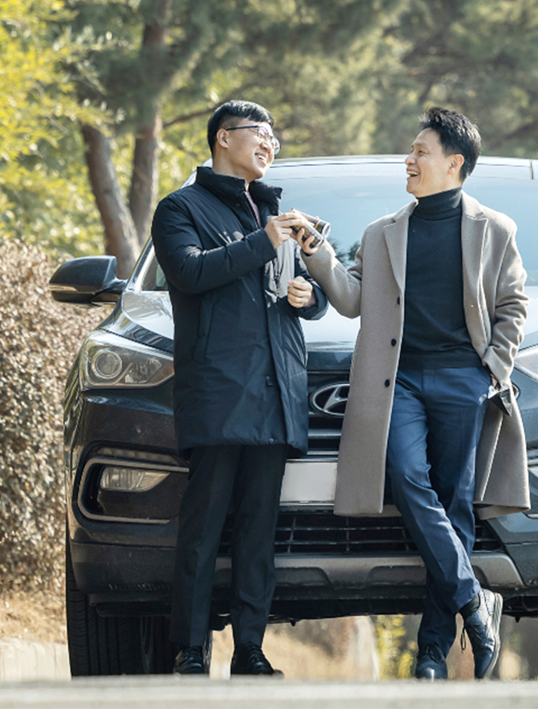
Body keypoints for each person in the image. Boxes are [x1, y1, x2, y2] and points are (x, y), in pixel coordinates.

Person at [296, 107, 530, 680]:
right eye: (411, 150)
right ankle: (473, 602)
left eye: (421, 151)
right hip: (397, 380)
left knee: (454, 505)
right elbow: (351, 299)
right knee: (404, 474)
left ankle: (431, 654)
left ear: (455, 163)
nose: (409, 159)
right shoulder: (382, 232)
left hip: (463, 379)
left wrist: (492, 370)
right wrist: (316, 251)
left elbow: (513, 305)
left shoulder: (495, 229)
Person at [151, 100, 326, 677]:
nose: (270, 143)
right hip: (219, 393)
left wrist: (310, 297)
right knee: (203, 529)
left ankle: (250, 649)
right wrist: (264, 240)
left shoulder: (274, 212)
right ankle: (190, 649)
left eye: (275, 137)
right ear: (224, 138)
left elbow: (301, 292)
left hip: (276, 395)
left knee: (258, 533)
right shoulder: (180, 208)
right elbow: (189, 272)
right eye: (260, 133)